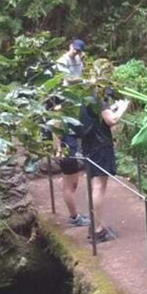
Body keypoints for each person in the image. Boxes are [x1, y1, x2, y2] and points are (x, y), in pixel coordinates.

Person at [81, 85, 129, 243]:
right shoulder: (97, 98)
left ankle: (94, 225)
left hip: (89, 144)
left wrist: (112, 107)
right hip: (100, 145)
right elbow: (111, 120)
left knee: (95, 184)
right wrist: (123, 107)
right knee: (99, 186)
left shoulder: (84, 97)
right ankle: (97, 230)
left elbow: (99, 115)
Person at [52, 39, 88, 227]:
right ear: (70, 47)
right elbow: (55, 127)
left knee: (72, 183)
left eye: (79, 51)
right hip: (66, 146)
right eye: (74, 50)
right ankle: (74, 218)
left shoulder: (79, 61)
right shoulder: (61, 107)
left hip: (71, 141)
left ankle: (75, 215)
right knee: (69, 184)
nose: (76, 53)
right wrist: (57, 149)